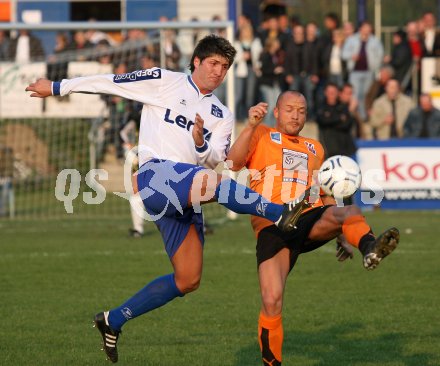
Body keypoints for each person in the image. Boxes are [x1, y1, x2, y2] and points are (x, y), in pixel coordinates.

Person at [25, 34, 306, 363]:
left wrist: (200, 142)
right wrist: (58, 87)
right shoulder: (162, 80)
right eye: (213, 63)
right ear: (197, 61)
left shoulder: (221, 113)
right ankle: (281, 212)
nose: (219, 72)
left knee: (188, 279)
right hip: (155, 177)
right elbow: (109, 82)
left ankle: (113, 319)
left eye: (225, 67)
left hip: (187, 190)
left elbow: (215, 158)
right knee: (212, 182)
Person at [226, 90, 399, 366]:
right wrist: (250, 126)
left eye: (302, 111)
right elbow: (232, 163)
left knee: (349, 210)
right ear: (277, 112)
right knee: (272, 300)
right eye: (290, 109)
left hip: (307, 216)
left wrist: (341, 235)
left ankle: (369, 248)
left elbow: (325, 195)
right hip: (272, 222)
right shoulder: (261, 134)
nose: (296, 115)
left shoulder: (315, 148)